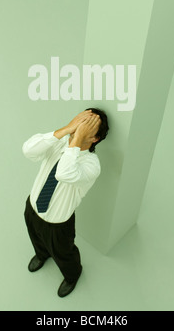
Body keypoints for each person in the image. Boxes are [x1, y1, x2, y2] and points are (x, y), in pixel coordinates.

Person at [22, 108, 109, 298]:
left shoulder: (91, 165)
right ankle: (42, 254)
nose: (80, 127)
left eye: (87, 127)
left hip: (58, 224)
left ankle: (72, 275)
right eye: (81, 120)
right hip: (33, 207)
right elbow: (28, 150)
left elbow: (64, 173)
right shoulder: (60, 141)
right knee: (35, 237)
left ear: (95, 139)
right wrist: (66, 129)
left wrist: (77, 139)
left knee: (64, 254)